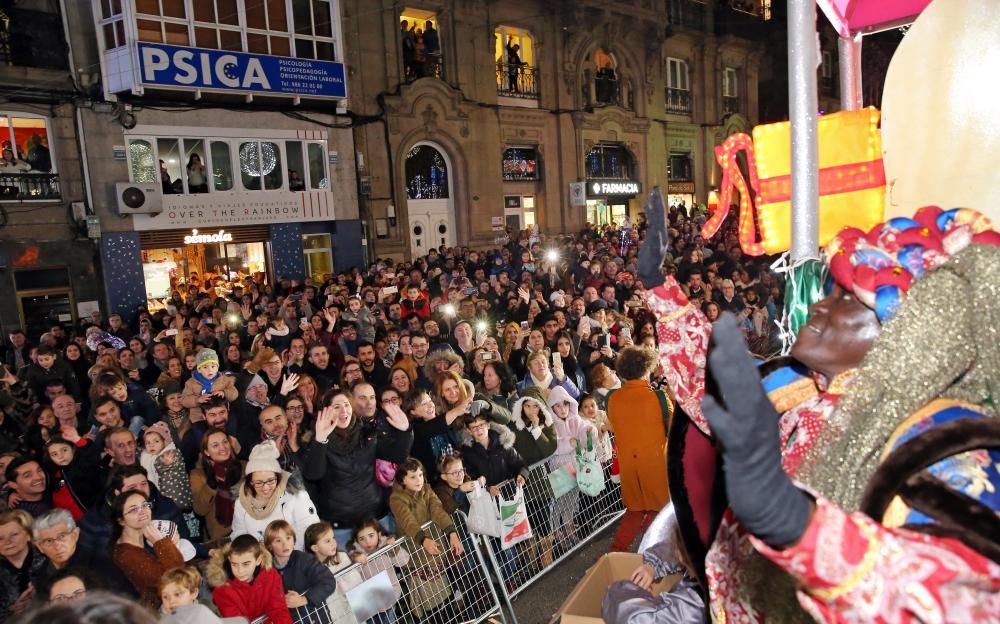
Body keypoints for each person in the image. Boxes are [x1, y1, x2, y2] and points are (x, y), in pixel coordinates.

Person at [636, 190, 1000, 621]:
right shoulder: (798, 385)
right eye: (832, 290)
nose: (821, 304)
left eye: (848, 298)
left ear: (912, 340)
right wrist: (659, 285)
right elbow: (708, 385)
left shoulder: (945, 441)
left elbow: (968, 594)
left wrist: (801, 528)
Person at [302, 391, 413, 546]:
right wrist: (320, 440)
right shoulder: (317, 440)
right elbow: (313, 474)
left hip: (376, 518)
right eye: (336, 406)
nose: (343, 411)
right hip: (341, 526)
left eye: (346, 405)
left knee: (387, 567)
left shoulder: (367, 432)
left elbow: (397, 455)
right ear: (326, 412)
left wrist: (405, 432)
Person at [605, 346, 672, 551]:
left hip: (628, 466)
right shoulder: (659, 397)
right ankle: (654, 555)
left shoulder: (611, 398)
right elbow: (674, 430)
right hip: (656, 466)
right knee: (659, 511)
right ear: (646, 369)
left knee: (635, 510)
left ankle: (617, 552)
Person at [231, 441, 319, 551]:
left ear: (278, 477)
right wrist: (254, 551)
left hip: (295, 558)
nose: (265, 488)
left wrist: (285, 554)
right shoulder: (241, 502)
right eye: (258, 483)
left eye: (270, 481)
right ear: (250, 482)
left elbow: (311, 531)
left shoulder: (295, 495)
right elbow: (239, 533)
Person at [110, 490, 186, 608]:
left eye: (145, 505)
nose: (143, 511)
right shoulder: (125, 554)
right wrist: (162, 543)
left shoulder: (143, 542)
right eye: (133, 509)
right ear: (121, 521)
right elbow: (174, 578)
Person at [206, 534, 292, 624]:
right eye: (234, 564)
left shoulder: (271, 576)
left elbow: (278, 610)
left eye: (246, 564)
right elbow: (237, 621)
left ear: (258, 560)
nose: (240, 571)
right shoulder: (221, 589)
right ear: (229, 559)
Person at [264, 519, 336, 623]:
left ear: (294, 540)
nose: (285, 544)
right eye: (278, 541)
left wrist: (303, 600)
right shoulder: (266, 570)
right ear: (269, 545)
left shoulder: (304, 559)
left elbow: (328, 581)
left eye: (288, 538)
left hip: (318, 619)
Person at [189, 427, 244, 542]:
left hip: (247, 530)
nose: (222, 447)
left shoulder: (245, 466)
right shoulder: (198, 475)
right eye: (215, 445)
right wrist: (211, 485)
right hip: (222, 538)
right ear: (206, 452)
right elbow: (200, 510)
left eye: (225, 442)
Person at [0, 509, 48, 619]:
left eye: (14, 534)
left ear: (29, 535)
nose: (8, 542)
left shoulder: (48, 560)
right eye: (0, 538)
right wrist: (12, 612)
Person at [158, 566, 247, 623]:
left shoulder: (207, 608)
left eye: (177, 594)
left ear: (193, 593)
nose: (171, 601)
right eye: (165, 596)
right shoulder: (159, 619)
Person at [181, 349, 238, 423]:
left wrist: (224, 393)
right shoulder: (191, 383)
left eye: (213, 366)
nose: (210, 370)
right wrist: (197, 399)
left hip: (222, 413)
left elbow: (234, 393)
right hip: (199, 417)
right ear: (199, 370)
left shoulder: (224, 379)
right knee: (199, 431)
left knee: (233, 423)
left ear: (217, 368)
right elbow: (184, 400)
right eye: (205, 367)